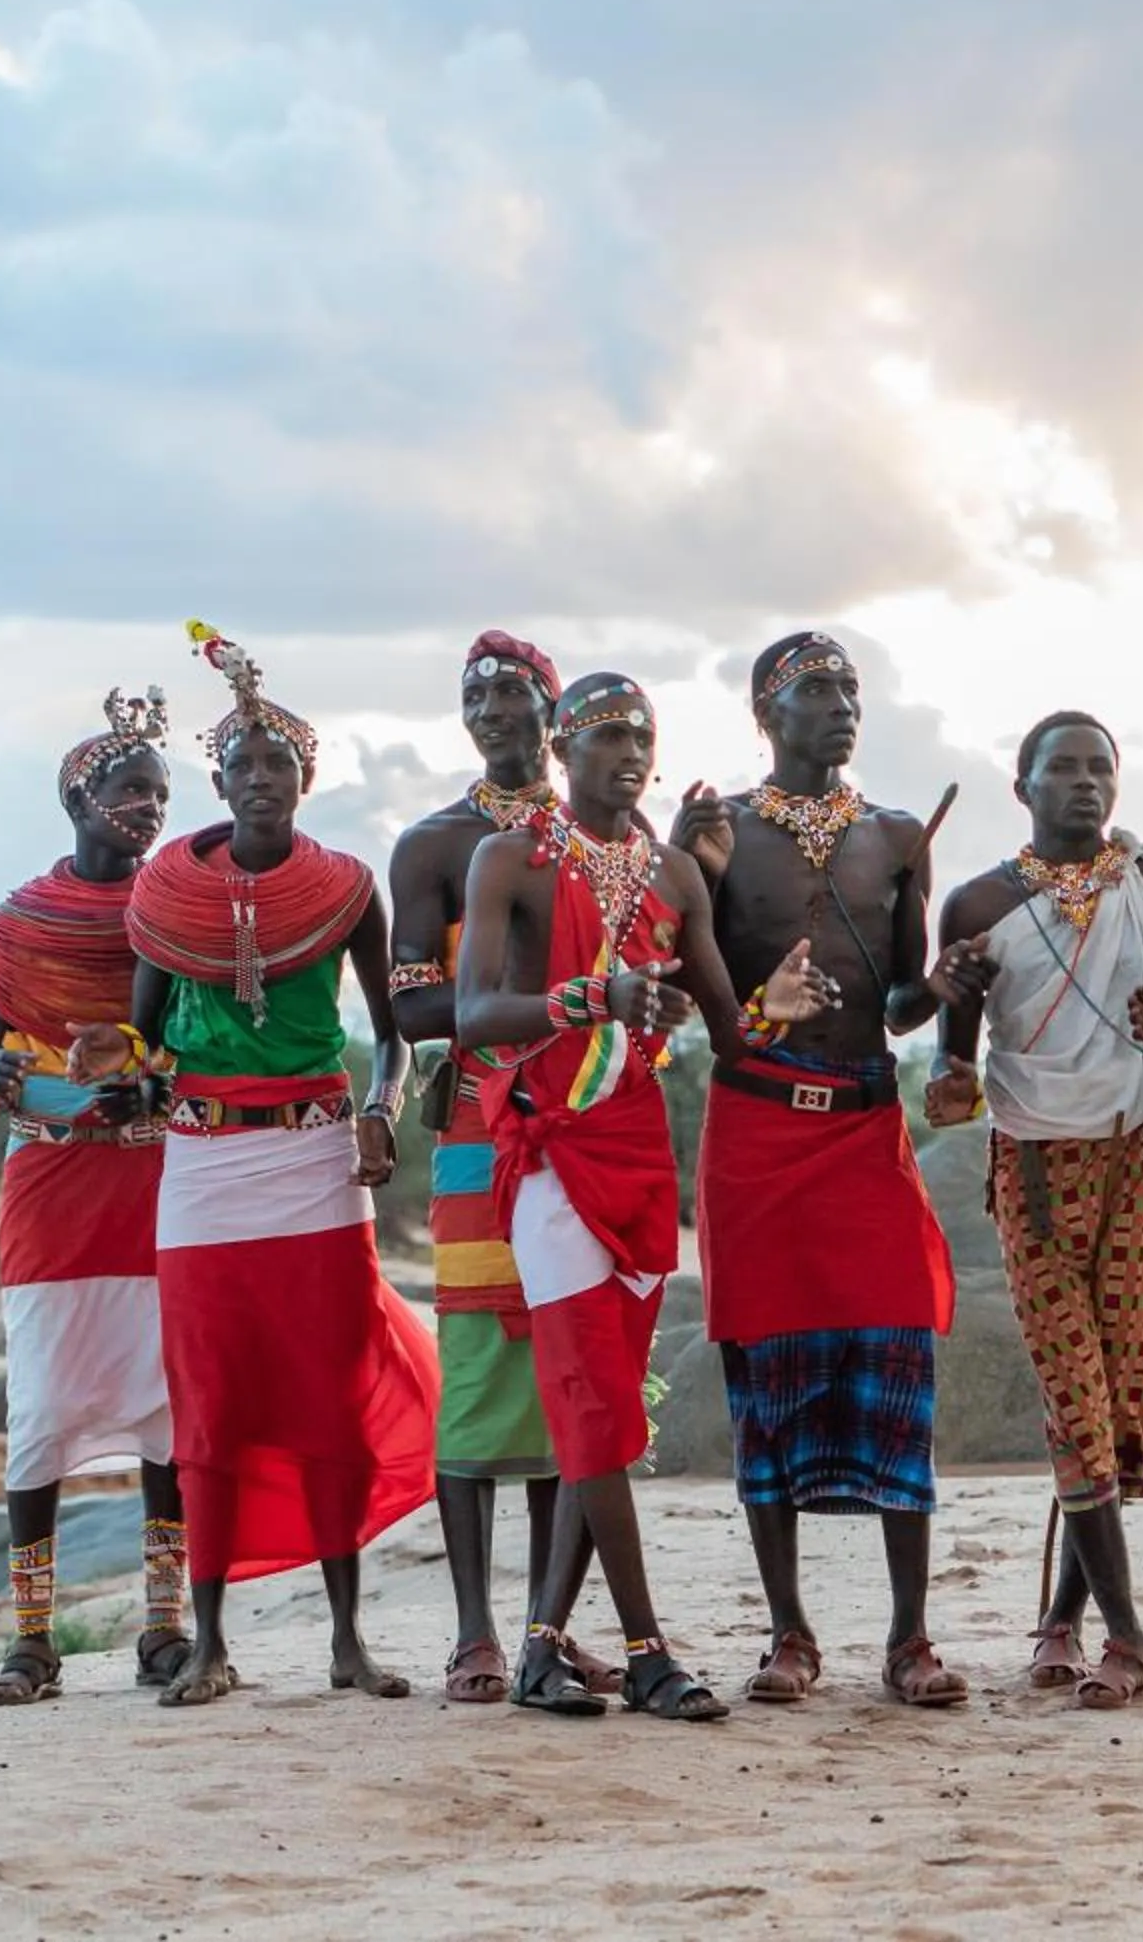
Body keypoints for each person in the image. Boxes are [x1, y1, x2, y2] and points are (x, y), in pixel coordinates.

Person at [81, 621, 439, 1708]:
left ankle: (345, 1641)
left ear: (305, 778)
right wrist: (120, 1075)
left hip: (316, 1160)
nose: (260, 781)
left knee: (327, 1395)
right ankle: (211, 1643)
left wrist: (383, 1110)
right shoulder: (167, 900)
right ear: (220, 779)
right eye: (242, 765)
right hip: (202, 1167)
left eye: (278, 764)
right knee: (211, 1395)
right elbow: (143, 1046)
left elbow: (396, 1029)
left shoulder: (344, 888)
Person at [458, 671, 816, 1722]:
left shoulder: (673, 875)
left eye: (639, 735)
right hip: (551, 1151)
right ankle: (648, 1649)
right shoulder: (511, 860)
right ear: (562, 751)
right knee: (594, 1401)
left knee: (600, 1407)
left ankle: (536, 1652)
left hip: (642, 1156)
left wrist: (774, 1007)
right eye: (603, 733)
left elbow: (729, 1028)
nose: (624, 750)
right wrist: (589, 997)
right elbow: (476, 1011)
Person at [667, 631, 967, 1710]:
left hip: (863, 1128)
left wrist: (943, 986)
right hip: (755, 1134)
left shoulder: (894, 835)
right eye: (816, 690)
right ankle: (789, 1632)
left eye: (850, 689)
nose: (842, 706)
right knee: (769, 1385)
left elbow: (897, 1002)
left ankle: (910, 1637)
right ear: (765, 708)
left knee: (900, 1360)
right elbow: (677, 986)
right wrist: (688, 877)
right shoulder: (722, 833)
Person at [925, 711, 1143, 1713]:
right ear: (1023, 787)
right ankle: (1126, 1636)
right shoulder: (979, 903)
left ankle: (1060, 1617)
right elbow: (950, 1056)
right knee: (1075, 1395)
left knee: (1124, 1396)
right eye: (1064, 769)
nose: (1086, 784)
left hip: (1138, 1158)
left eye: (1102, 769)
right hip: (1036, 1170)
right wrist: (949, 1085)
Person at [388, 629, 619, 1707]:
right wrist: (528, 999)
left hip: (588, 1116)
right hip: (484, 1122)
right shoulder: (438, 847)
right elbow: (411, 1006)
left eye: (513, 690)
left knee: (568, 1362)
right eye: (473, 694)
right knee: (482, 1362)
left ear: (551, 708)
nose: (492, 708)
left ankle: (548, 1624)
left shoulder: (605, 833)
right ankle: (476, 1630)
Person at [0, 688, 190, 1707]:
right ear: (78, 797)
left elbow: (195, 1045)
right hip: (52, 1180)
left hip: (150, 1173)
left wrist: (151, 1078)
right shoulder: (19, 924)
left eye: (160, 792)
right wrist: (34, 1085)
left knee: (165, 1407)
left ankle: (164, 1626)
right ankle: (30, 1643)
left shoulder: (173, 913)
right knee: (41, 1409)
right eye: (128, 788)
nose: (146, 807)